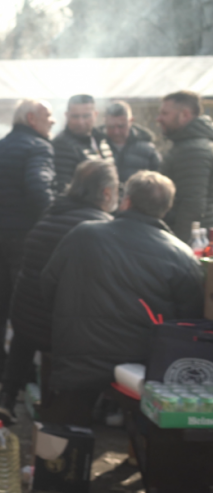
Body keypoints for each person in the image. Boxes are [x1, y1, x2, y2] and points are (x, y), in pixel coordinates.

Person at [41, 171, 203, 425]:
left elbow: (46, 287)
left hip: (77, 355)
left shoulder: (83, 235)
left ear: (126, 201)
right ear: (167, 208)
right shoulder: (181, 255)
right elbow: (188, 321)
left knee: (66, 435)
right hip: (141, 362)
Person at [0, 159, 117, 425]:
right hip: (60, 334)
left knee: (26, 332)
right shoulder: (101, 230)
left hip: (26, 322)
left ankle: (7, 398)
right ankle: (90, 408)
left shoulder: (51, 214)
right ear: (106, 193)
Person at [0, 99, 55, 385]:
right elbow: (39, 189)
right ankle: (22, 373)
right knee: (25, 306)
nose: (52, 121)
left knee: (0, 303)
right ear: (31, 118)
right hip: (27, 239)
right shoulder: (39, 148)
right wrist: (51, 222)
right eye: (48, 116)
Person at [157, 90, 213, 243]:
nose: (159, 119)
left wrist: (180, 247)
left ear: (185, 115)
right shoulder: (188, 146)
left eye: (165, 113)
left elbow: (192, 204)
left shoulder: (192, 150)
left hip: (194, 243)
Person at [52, 94, 112, 194]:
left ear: (95, 114)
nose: (81, 122)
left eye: (86, 116)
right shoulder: (62, 145)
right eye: (75, 116)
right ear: (67, 115)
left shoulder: (102, 139)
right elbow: (63, 189)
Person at [104, 100, 161, 183]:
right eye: (111, 126)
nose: (116, 131)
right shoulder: (96, 145)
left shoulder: (147, 150)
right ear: (105, 122)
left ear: (131, 121)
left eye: (121, 126)